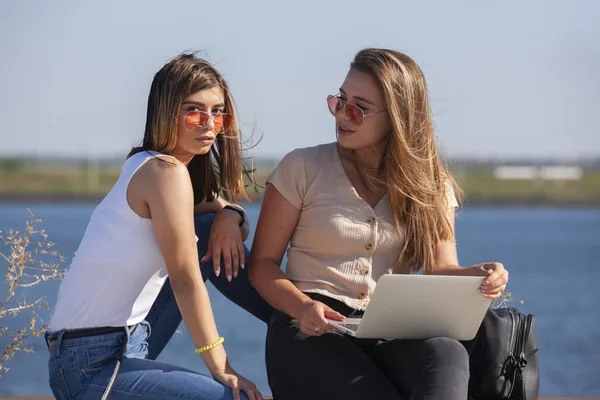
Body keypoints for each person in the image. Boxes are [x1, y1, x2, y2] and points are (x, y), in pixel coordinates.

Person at [249, 48, 510, 400]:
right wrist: (301, 307)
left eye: (359, 107)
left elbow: (439, 269)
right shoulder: (301, 167)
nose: (343, 114)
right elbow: (262, 265)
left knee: (446, 353)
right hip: (307, 331)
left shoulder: (430, 184)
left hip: (388, 331)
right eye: (340, 100)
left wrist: (479, 275)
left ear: (397, 116)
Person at [45, 53, 271, 400]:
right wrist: (221, 366)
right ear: (166, 112)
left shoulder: (150, 165)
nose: (209, 124)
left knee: (210, 225)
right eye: (194, 111)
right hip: (89, 365)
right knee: (232, 398)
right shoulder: (164, 173)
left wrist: (232, 216)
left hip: (128, 340)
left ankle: (287, 320)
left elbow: (217, 210)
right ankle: (291, 322)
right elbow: (184, 277)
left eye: (218, 113)